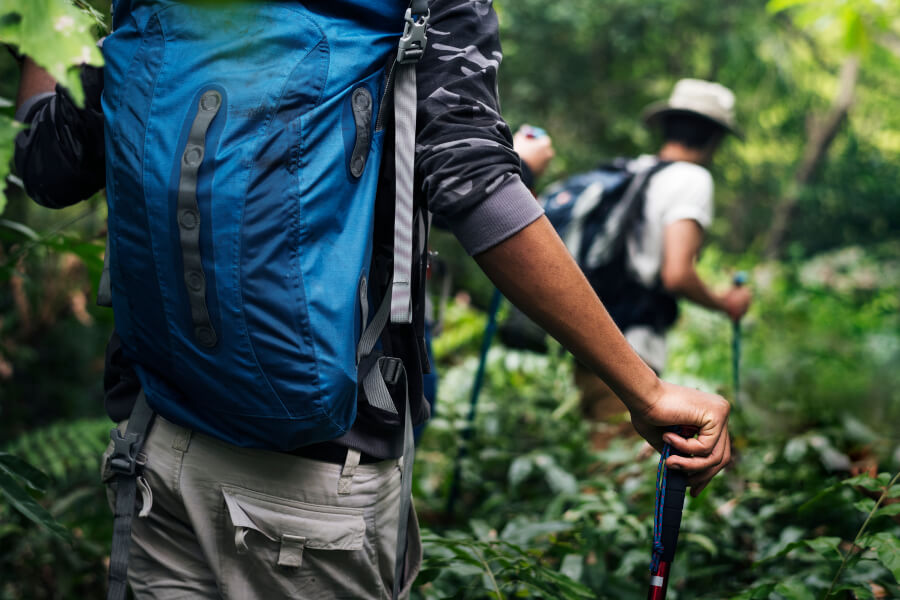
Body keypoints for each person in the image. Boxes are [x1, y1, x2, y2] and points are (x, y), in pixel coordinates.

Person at [13, 6, 732, 599]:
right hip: (315, 485)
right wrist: (644, 387)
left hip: (156, 439)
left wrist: (43, 21)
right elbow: (472, 185)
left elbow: (46, 165)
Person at [574, 78, 752, 446]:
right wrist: (725, 304)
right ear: (714, 137)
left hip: (589, 334)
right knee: (619, 466)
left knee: (601, 456)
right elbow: (677, 274)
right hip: (631, 349)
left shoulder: (632, 171)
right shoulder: (692, 179)